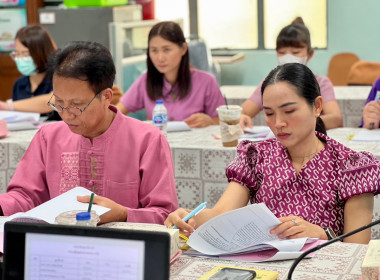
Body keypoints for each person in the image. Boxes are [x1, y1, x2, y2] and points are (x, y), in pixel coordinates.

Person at [165, 63, 380, 244]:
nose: (278, 123)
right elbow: (220, 215)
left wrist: (323, 235)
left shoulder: (351, 166)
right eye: (268, 113)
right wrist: (188, 216)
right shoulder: (256, 157)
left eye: (289, 111)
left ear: (317, 106)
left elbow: (357, 248)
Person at [0, 41, 178, 225]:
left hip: (124, 248)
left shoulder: (147, 140)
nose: (67, 114)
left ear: (106, 97)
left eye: (77, 105)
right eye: (59, 102)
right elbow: (25, 196)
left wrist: (123, 214)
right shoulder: (48, 137)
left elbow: (166, 214)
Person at [116, 21, 225, 128]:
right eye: (154, 50)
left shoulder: (207, 81)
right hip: (159, 145)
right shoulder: (145, 80)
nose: (160, 58)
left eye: (166, 49)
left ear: (183, 49)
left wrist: (210, 122)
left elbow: (224, 123)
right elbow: (116, 113)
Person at [240, 17, 343, 130]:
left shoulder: (321, 83)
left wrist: (303, 123)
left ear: (310, 54)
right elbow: (243, 112)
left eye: (295, 52)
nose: (288, 57)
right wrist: (240, 117)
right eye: (282, 52)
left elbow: (336, 119)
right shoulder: (270, 83)